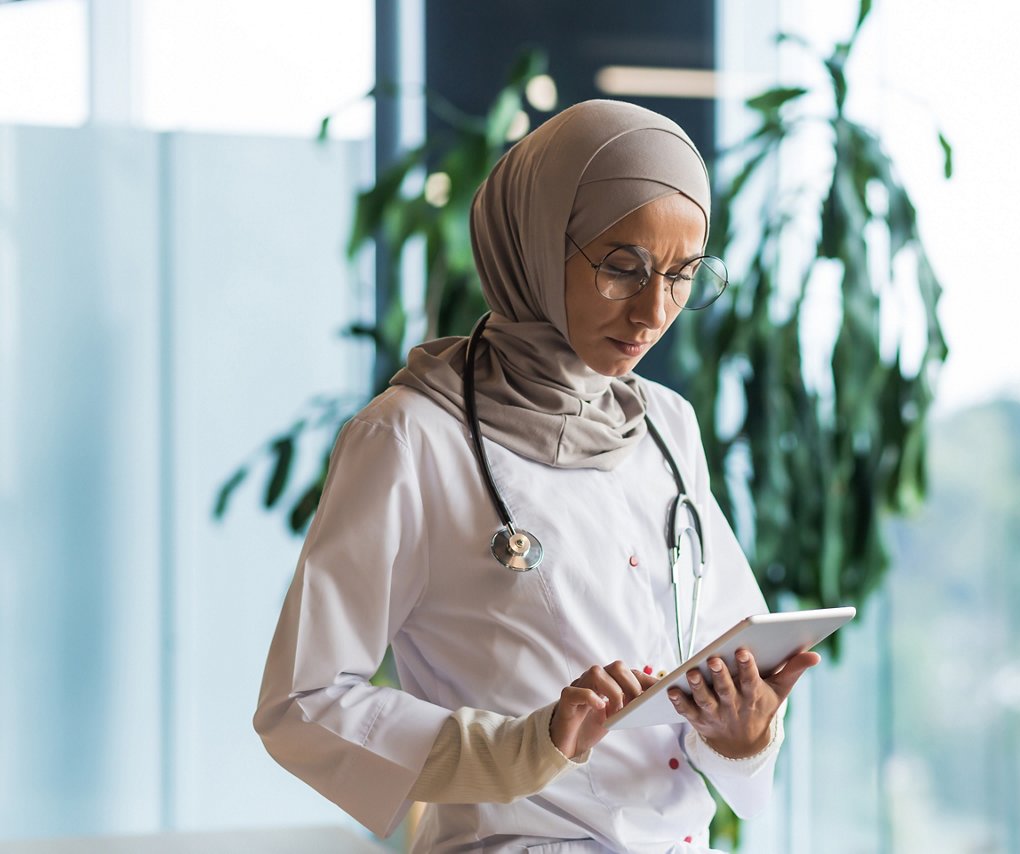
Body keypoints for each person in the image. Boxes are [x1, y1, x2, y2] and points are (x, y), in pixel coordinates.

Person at [253, 99, 820, 854]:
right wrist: (527, 744)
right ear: (535, 242)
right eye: (624, 267)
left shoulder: (666, 424)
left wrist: (743, 732)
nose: (655, 310)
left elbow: (720, 657)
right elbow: (303, 702)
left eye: (684, 276)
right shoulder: (411, 436)